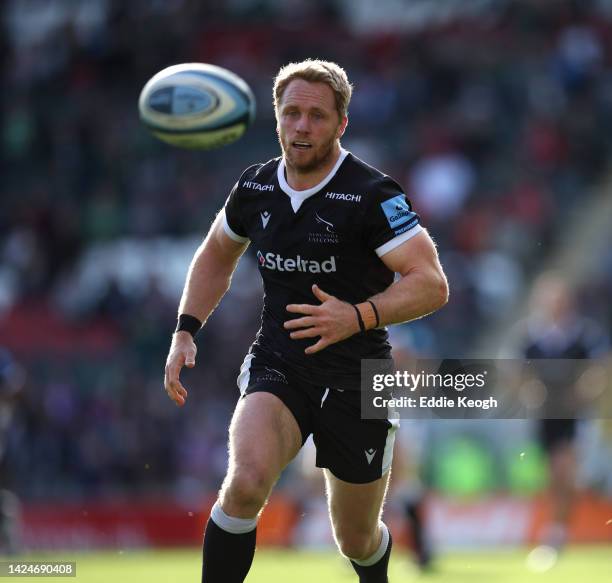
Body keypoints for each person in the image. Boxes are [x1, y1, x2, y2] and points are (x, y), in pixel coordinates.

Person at [164, 59, 449, 583]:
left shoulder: (373, 195)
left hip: (359, 378)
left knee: (356, 538)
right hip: (280, 365)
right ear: (276, 117)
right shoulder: (253, 188)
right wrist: (186, 329)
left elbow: (431, 282)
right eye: (291, 113)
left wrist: (357, 315)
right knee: (246, 483)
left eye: (316, 116)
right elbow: (214, 256)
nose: (301, 126)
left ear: (341, 123)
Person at [519, 273, 609, 551]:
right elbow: (519, 372)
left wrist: (583, 393)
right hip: (546, 415)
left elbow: (600, 369)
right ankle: (558, 527)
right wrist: (531, 391)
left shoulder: (582, 334)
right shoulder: (534, 336)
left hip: (574, 414)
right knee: (553, 473)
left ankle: (557, 532)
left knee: (564, 468)